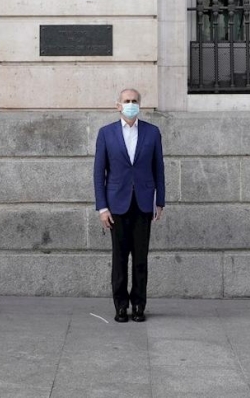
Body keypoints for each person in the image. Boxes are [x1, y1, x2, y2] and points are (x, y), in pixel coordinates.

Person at [94, 88, 165, 323]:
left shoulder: (152, 133)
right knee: (120, 259)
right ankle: (121, 305)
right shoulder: (106, 134)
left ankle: (138, 305)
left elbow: (159, 169)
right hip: (117, 205)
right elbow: (99, 173)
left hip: (143, 204)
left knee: (141, 260)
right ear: (118, 105)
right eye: (127, 101)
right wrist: (102, 207)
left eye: (134, 101)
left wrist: (160, 201)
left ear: (140, 105)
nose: (131, 104)